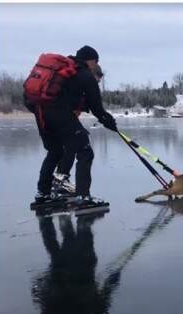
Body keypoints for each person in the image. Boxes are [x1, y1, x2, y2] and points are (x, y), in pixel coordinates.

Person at [28, 45, 117, 207]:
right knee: (85, 151)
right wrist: (108, 120)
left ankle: (42, 194)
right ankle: (83, 197)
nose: (95, 65)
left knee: (55, 151)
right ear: (91, 61)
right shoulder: (85, 75)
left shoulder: (63, 71)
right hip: (60, 114)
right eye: (96, 61)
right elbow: (97, 107)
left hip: (41, 113)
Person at [52, 62, 105, 194]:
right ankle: (82, 195)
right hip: (62, 118)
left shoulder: (74, 82)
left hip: (55, 117)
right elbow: (94, 106)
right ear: (93, 74)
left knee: (71, 146)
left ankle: (59, 182)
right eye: (97, 80)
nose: (97, 84)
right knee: (85, 151)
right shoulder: (83, 81)